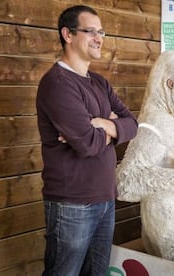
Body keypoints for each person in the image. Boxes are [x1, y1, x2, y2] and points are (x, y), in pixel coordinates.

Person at [36, 5, 138, 275]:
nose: (99, 37)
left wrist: (102, 124)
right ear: (68, 35)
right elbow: (86, 144)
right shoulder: (57, 83)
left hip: (105, 197)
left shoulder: (99, 82)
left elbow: (133, 124)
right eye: (90, 31)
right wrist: (107, 129)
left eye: (101, 31)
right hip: (72, 203)